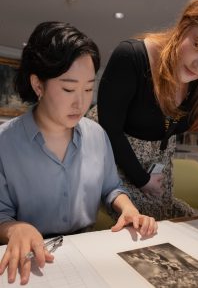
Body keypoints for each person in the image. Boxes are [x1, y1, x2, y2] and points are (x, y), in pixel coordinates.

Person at [0, 21, 157, 285]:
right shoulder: (5, 143)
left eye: (88, 89)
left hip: (88, 251)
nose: (81, 102)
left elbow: (111, 189)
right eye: (69, 89)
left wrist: (127, 207)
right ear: (38, 85)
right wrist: (16, 228)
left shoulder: (97, 135)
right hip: (30, 259)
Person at [86, 0, 198, 220]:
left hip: (156, 173)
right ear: (184, 25)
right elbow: (109, 128)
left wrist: (149, 180)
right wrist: (141, 179)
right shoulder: (132, 56)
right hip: (109, 161)